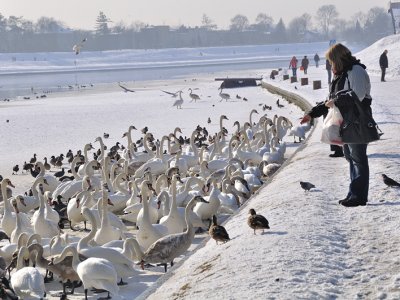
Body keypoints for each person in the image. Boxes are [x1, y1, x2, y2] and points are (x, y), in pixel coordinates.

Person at [300, 43, 372, 207]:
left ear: (338, 59)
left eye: (331, 61)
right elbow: (329, 100)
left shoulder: (356, 71)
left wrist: (336, 101)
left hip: (357, 120)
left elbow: (358, 95)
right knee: (349, 156)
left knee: (358, 158)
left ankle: (359, 196)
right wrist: (312, 113)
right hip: (345, 121)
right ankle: (353, 192)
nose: (330, 65)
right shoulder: (341, 74)